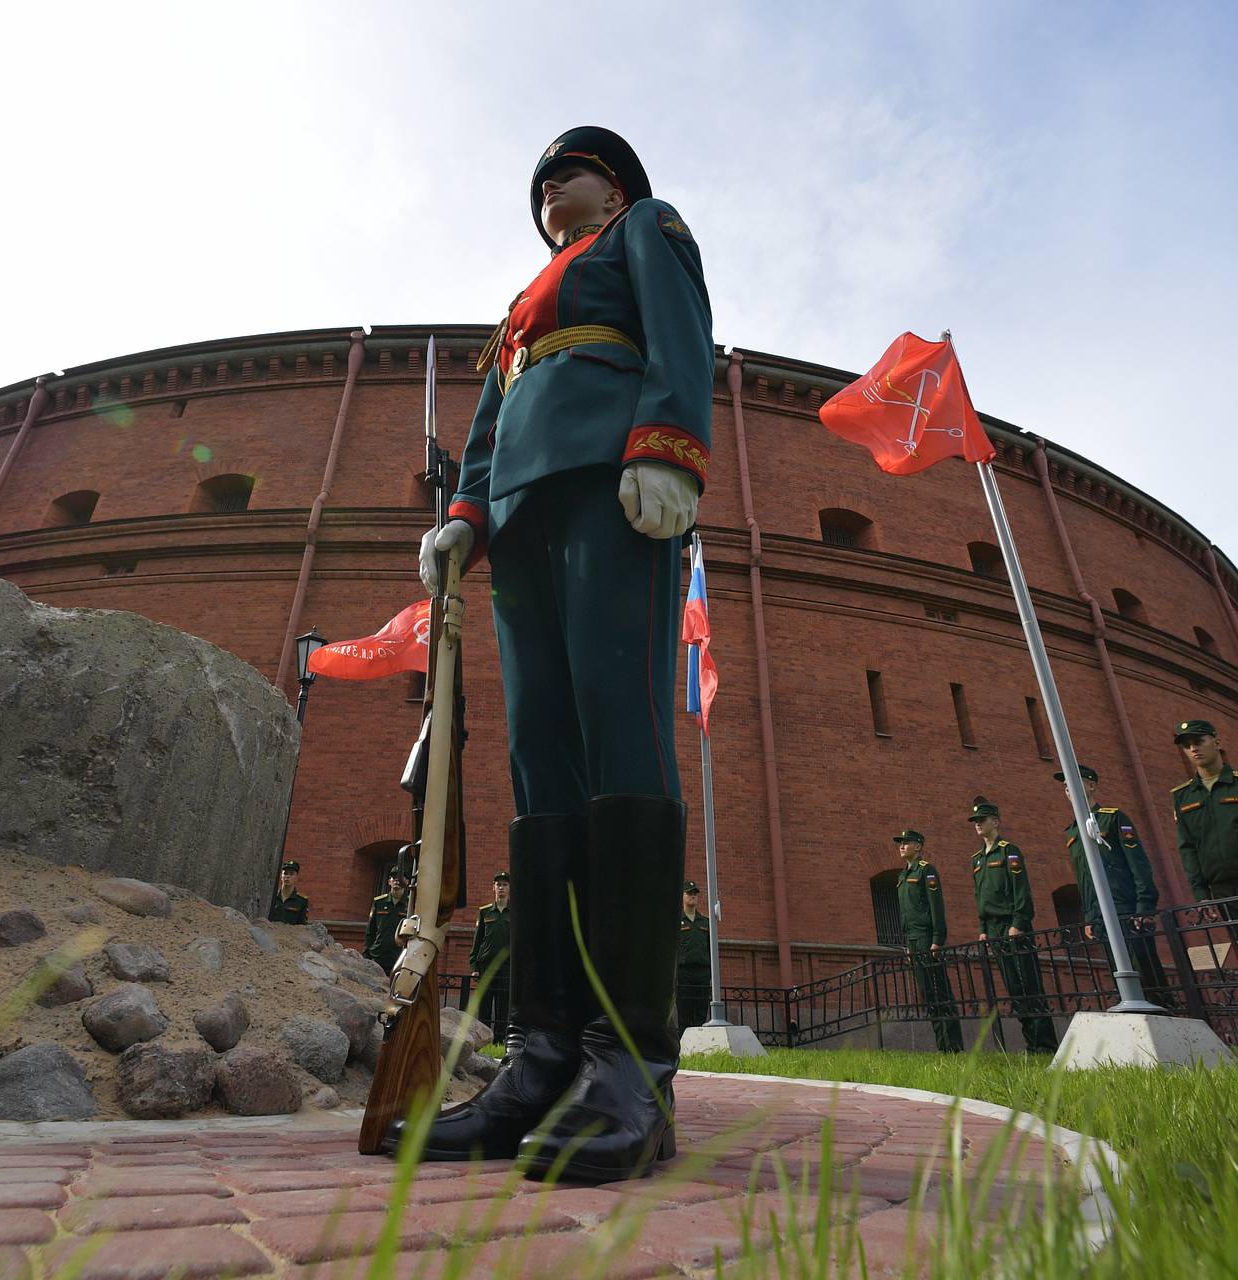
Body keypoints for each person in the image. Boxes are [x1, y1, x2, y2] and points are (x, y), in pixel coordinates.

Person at [390, 125, 714, 1182]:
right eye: (537, 182)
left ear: (610, 186)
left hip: (610, 484)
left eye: (563, 172)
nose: (546, 190)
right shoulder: (517, 313)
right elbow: (487, 429)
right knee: (541, 766)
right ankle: (540, 1059)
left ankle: (627, 1066)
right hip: (521, 521)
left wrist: (667, 445)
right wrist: (467, 519)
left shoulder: (643, 235)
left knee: (621, 734)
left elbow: (679, 335)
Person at [1054, 764, 1171, 1004]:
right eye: (1065, 787)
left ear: (1091, 785)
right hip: (1099, 912)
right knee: (1117, 970)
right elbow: (1084, 878)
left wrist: (1144, 906)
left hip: (1125, 905)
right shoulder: (1072, 831)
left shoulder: (1113, 818)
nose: (1069, 789)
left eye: (1074, 783)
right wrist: (1089, 914)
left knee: (1144, 967)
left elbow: (1138, 863)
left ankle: (1163, 1013)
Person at [969, 798, 1059, 1055]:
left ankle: (1046, 1045)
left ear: (995, 822)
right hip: (994, 928)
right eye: (975, 822)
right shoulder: (977, 859)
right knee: (1014, 987)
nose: (977, 825)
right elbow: (980, 896)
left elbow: (1021, 891)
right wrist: (983, 926)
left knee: (1030, 985)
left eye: (981, 820)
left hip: (1012, 926)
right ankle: (1031, 1044)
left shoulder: (1009, 851)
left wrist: (1019, 922)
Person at [893, 830, 963, 1053]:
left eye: (907, 842)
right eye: (900, 843)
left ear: (918, 846)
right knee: (928, 994)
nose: (902, 846)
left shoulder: (926, 870)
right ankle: (942, 1045)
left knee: (940, 990)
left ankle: (953, 1046)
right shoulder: (903, 876)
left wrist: (937, 939)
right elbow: (905, 913)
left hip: (926, 938)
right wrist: (906, 943)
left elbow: (936, 907)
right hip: (913, 940)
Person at [1172, 719, 1238, 915]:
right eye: (1186, 745)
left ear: (1217, 743)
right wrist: (1201, 894)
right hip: (1222, 890)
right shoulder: (1183, 795)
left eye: (1199, 741)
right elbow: (1188, 847)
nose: (1193, 749)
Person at [469, 872, 512, 1043]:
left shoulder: (514, 912)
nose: (501, 888)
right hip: (485, 966)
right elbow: (477, 940)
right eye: (498, 884)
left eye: (505, 885)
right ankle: (483, 1042)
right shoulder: (484, 912)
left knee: (503, 1008)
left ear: (509, 889)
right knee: (484, 1007)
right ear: (493, 887)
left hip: (506, 967)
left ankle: (500, 1042)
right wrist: (474, 967)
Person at [676, 880, 711, 1030]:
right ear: (682, 896)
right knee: (685, 1010)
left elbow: (710, 948)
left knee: (701, 1009)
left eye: (695, 893)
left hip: (702, 971)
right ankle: (684, 1044)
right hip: (684, 972)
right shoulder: (677, 922)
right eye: (689, 893)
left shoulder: (705, 922)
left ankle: (699, 1044)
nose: (693, 896)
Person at [364, 865, 409, 974]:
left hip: (399, 957)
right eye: (394, 877)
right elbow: (371, 930)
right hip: (378, 955)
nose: (397, 880)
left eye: (401, 877)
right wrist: (366, 953)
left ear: (407, 882)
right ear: (389, 881)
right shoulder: (379, 902)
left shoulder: (410, 904)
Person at [268, 860, 309, 924]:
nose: (287, 876)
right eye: (285, 873)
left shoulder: (302, 901)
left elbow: (302, 926)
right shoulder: (271, 897)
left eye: (291, 874)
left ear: (296, 877)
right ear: (281, 876)